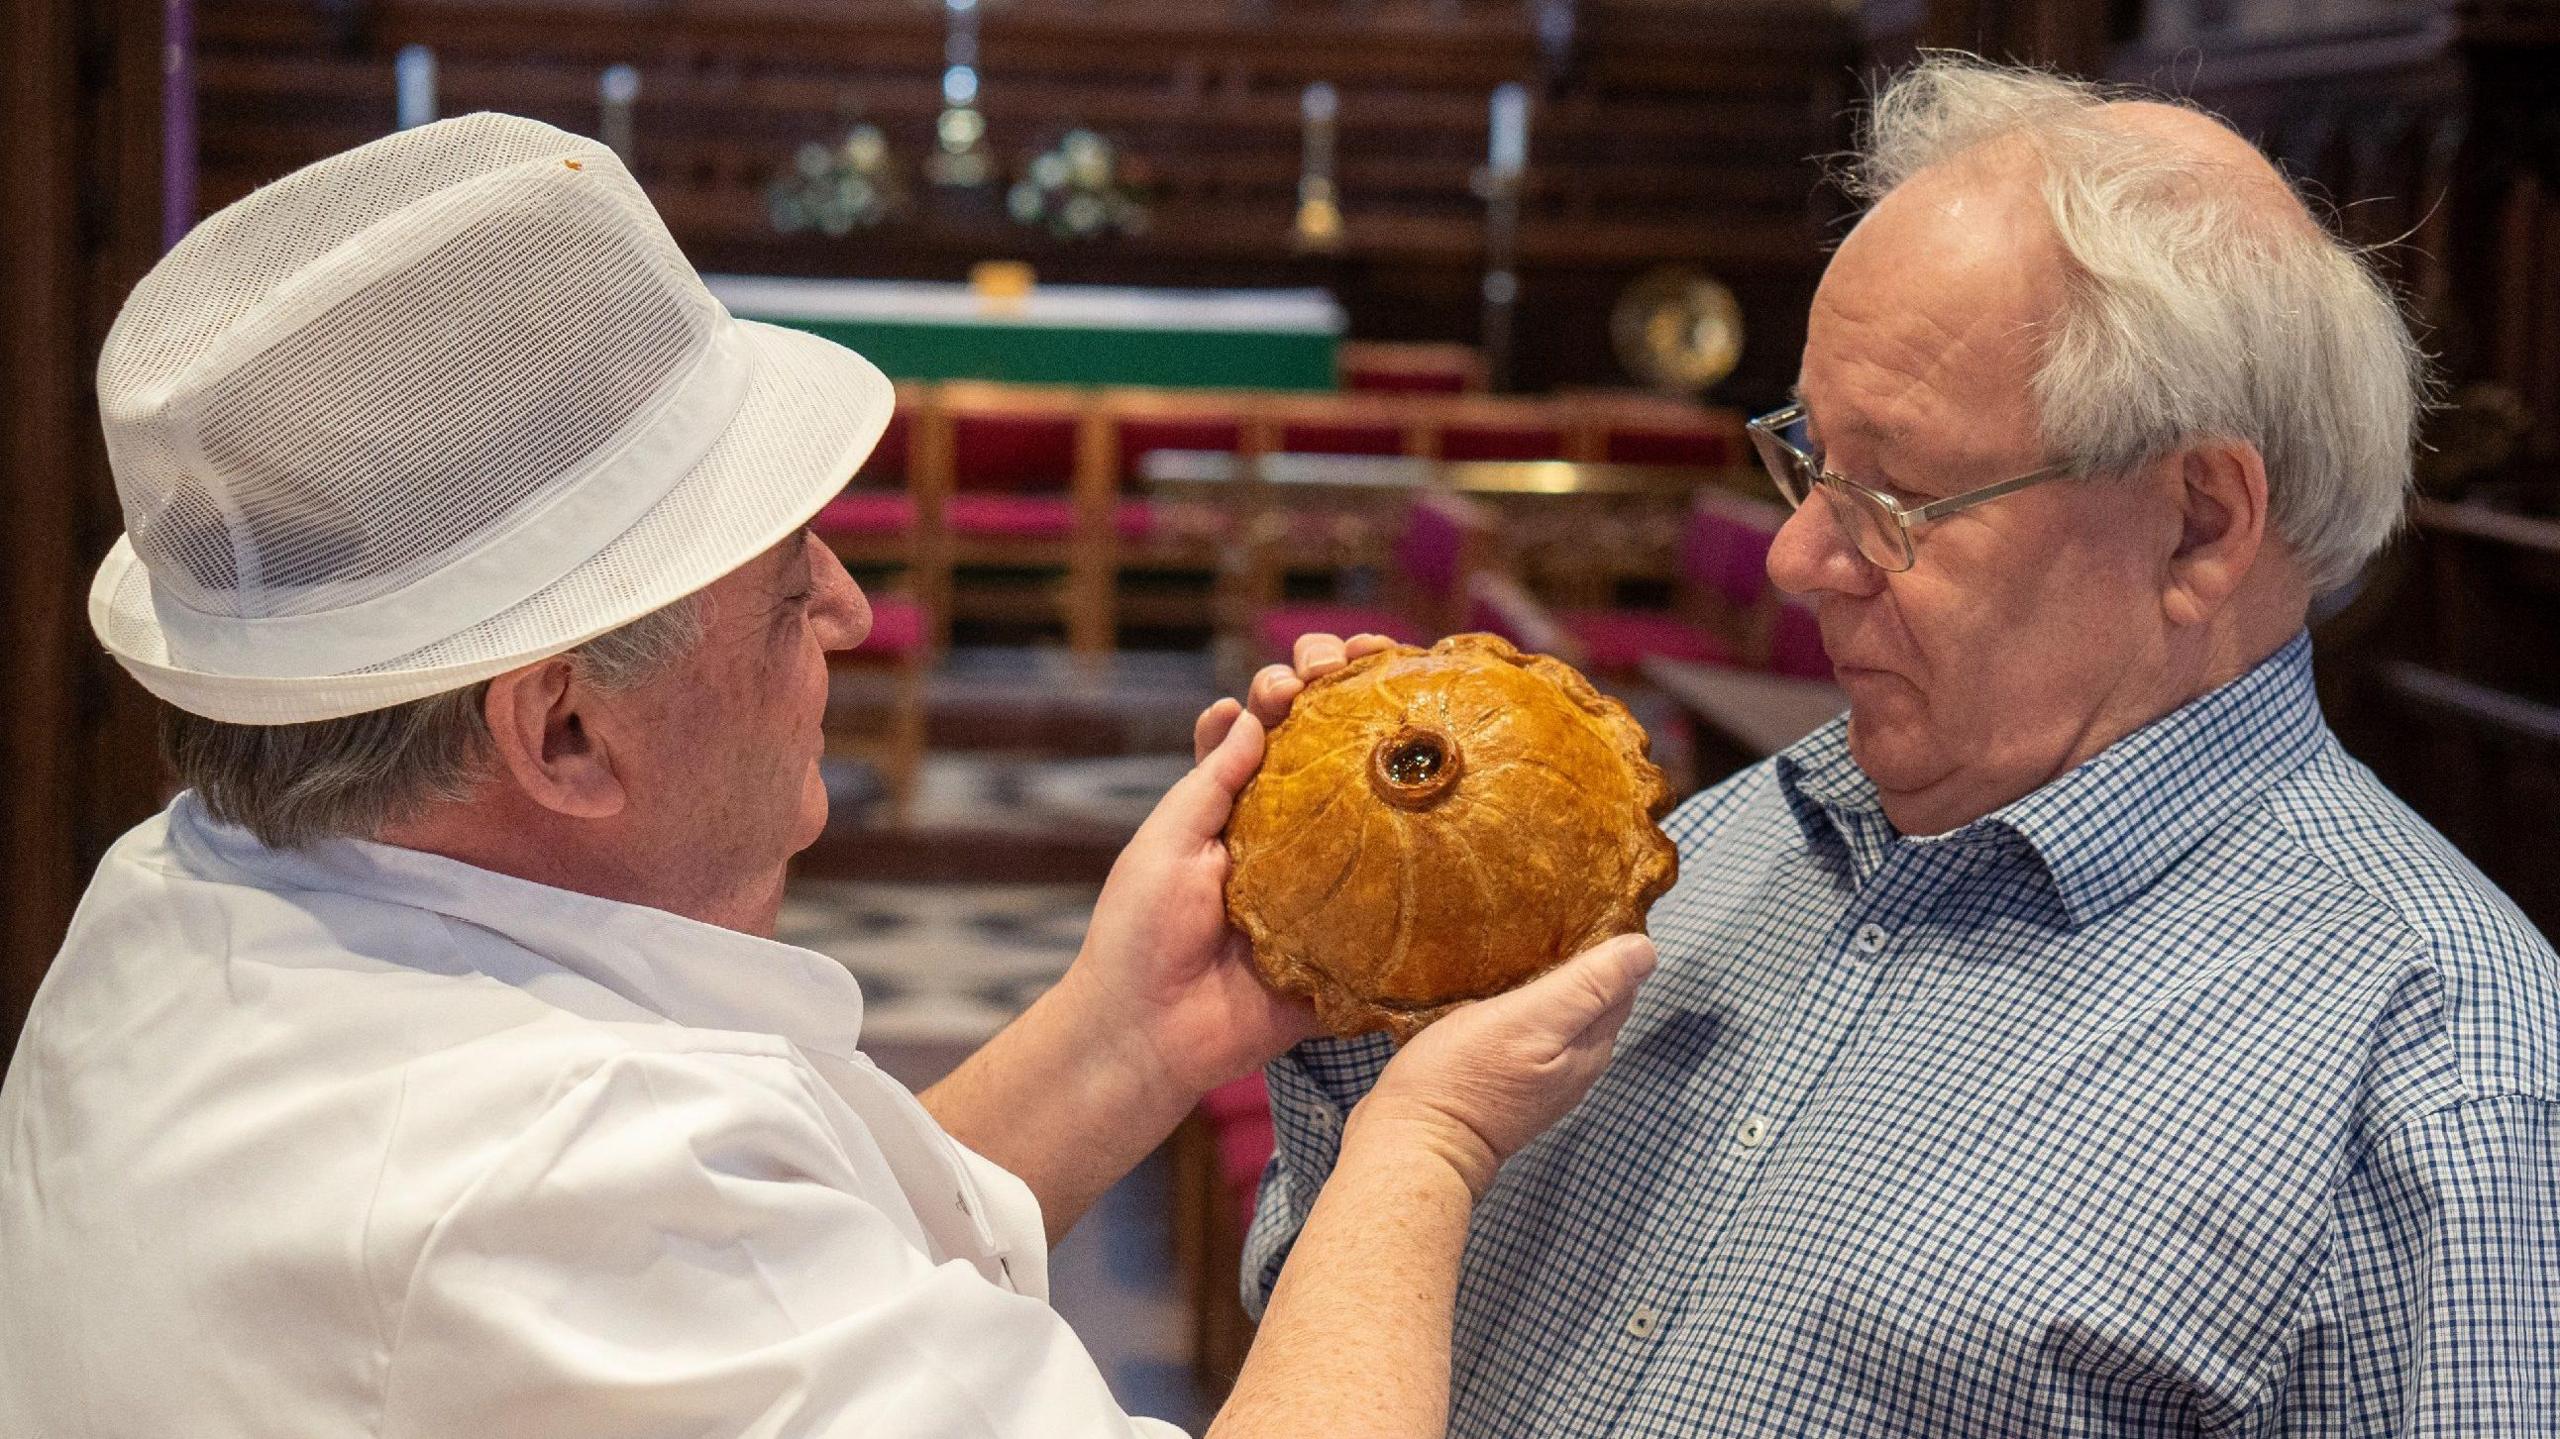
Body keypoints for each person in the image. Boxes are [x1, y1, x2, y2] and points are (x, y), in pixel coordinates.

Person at [0, 114, 1657, 1437]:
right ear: (564, 731)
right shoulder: (568, 1172)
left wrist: (1137, 1029)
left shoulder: (183, 889)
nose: (853, 617)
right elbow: (685, 1246)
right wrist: (1422, 1148)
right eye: (790, 584)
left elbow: (796, 1290)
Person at [1250, 56, 2560, 1437]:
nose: (1797, 554)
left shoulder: (2441, 1079)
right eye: (1809, 455)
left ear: (2199, 523)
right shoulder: (1731, 838)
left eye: (1898, 493)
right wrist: (1359, 1007)